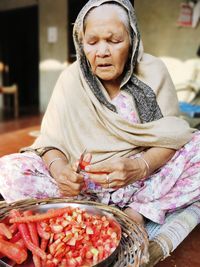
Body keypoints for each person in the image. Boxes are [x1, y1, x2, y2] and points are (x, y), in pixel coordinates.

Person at [0, 0, 199, 226]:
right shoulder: (71, 79)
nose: (102, 52)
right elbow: (49, 142)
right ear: (81, 44)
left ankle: (139, 209)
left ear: (132, 39)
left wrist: (139, 167)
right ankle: (85, 210)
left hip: (142, 182)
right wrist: (61, 171)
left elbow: (172, 138)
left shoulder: (153, 71)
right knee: (8, 170)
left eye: (114, 41)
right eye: (92, 42)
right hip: (83, 187)